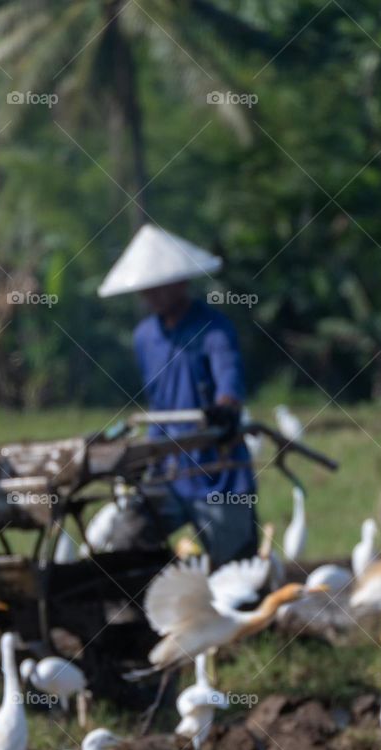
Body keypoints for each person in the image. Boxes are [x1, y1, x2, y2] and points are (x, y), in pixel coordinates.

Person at [97, 223, 257, 567]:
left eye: (158, 287)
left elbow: (229, 382)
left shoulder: (214, 329)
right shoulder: (144, 337)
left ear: (181, 282)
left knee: (235, 572)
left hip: (217, 465)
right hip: (168, 467)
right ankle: (140, 614)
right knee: (128, 539)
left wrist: (225, 410)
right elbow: (159, 402)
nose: (149, 295)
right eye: (145, 289)